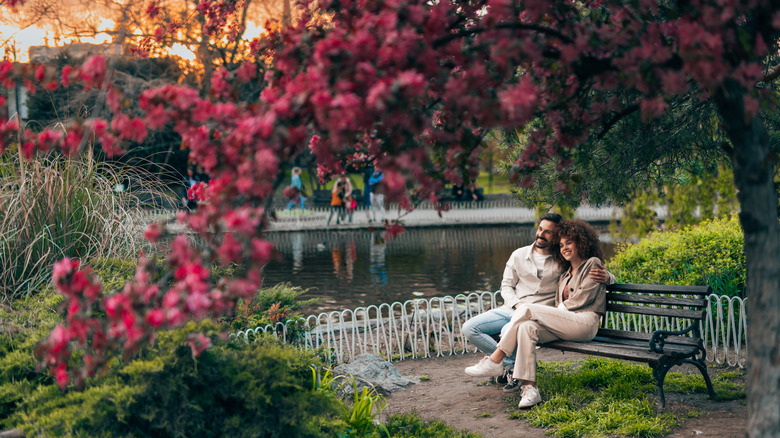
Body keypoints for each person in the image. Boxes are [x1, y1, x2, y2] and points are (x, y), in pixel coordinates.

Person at [464, 219, 608, 409]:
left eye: (569, 243)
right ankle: (530, 389)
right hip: (555, 320)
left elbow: (583, 297)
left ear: (581, 242)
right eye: (562, 244)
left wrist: (608, 277)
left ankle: (496, 359)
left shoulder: (592, 264)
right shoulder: (564, 272)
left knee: (526, 309)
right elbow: (506, 286)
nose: (564, 248)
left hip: (584, 322)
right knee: (526, 327)